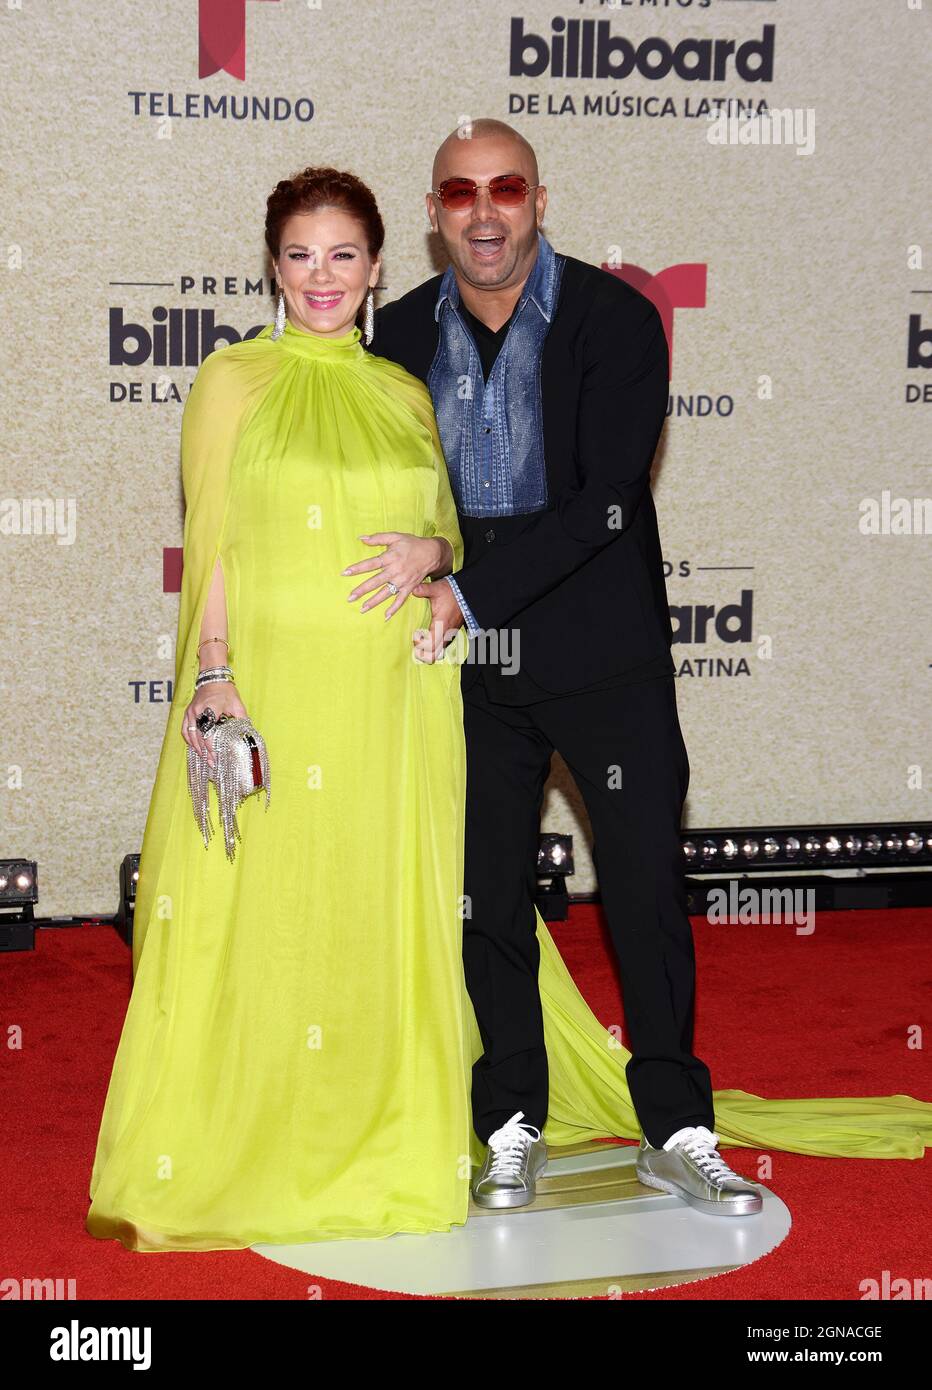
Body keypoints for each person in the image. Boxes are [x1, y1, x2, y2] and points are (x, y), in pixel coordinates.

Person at [367, 119, 932, 1215]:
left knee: (641, 894)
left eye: (506, 188)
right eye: (458, 192)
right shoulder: (392, 339)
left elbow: (603, 502)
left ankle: (674, 1126)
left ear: (539, 198)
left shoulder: (614, 317)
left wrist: (465, 583)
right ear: (433, 213)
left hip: (602, 657)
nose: (484, 211)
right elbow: (389, 497)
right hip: (466, 666)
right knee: (487, 897)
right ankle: (508, 1121)